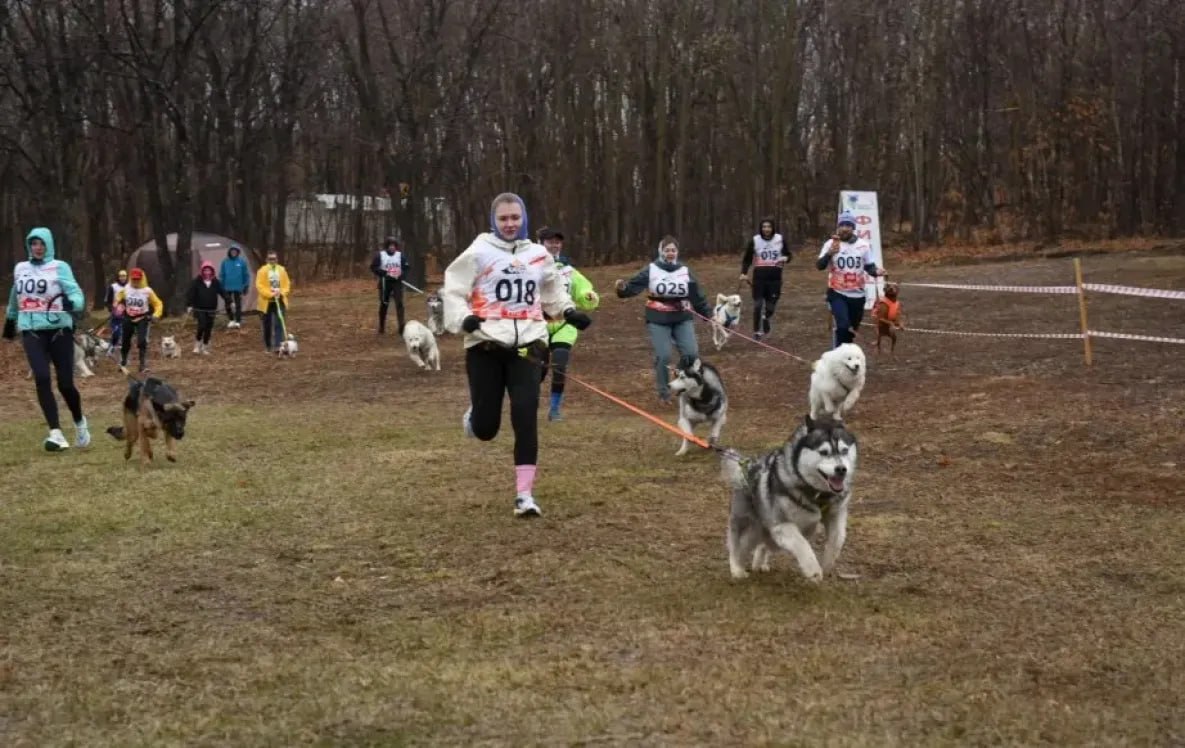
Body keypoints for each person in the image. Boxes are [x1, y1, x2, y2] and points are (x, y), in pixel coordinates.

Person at [441, 193, 590, 518]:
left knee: (525, 415)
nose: (510, 224)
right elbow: (452, 291)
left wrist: (568, 311)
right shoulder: (479, 251)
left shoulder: (538, 255)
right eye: (503, 218)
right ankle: (476, 416)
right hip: (486, 345)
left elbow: (552, 292)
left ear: (524, 219)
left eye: (515, 218)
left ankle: (525, 496)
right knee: (486, 428)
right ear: (494, 221)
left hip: (529, 343)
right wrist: (464, 319)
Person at [2, 227, 91, 451]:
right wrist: (10, 320)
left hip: (59, 330)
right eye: (34, 243)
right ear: (29, 246)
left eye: (42, 244)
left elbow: (75, 292)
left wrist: (74, 303)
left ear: (49, 245)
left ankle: (79, 422)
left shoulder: (60, 267)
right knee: (41, 377)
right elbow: (15, 294)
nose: (38, 248)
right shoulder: (21, 268)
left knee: (65, 384)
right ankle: (56, 433)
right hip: (31, 331)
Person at [614, 235, 713, 404]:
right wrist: (622, 289)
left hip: (682, 317)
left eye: (673, 250)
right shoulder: (652, 269)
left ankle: (683, 381)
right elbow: (633, 286)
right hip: (658, 318)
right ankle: (664, 392)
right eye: (667, 250)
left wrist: (708, 314)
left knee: (691, 354)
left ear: (677, 252)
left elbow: (696, 295)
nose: (670, 253)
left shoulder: (684, 270)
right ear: (661, 251)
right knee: (664, 355)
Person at [536, 226, 599, 421]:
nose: (554, 245)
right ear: (540, 243)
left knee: (559, 364)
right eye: (550, 241)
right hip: (538, 325)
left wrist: (589, 296)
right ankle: (529, 404)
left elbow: (584, 291)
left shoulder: (569, 271)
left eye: (557, 242)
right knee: (538, 370)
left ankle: (555, 409)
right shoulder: (531, 268)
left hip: (564, 324)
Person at [816, 211, 886, 348]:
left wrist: (877, 272)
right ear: (838, 227)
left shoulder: (863, 245)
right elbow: (819, 266)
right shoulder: (831, 244)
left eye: (848, 225)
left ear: (853, 228)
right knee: (843, 326)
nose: (844, 228)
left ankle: (845, 353)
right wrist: (829, 253)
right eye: (842, 225)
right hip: (837, 293)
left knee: (851, 331)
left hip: (858, 294)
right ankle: (838, 354)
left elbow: (869, 266)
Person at [738, 217, 791, 339]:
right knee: (757, 304)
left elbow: (788, 255)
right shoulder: (755, 240)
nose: (766, 229)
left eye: (769, 227)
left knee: (771, 305)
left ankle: (766, 317)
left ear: (773, 228)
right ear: (761, 228)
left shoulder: (780, 239)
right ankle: (756, 331)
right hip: (759, 277)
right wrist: (744, 272)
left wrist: (786, 258)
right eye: (764, 227)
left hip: (775, 278)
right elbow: (747, 259)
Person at [115, 267, 164, 372]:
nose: (136, 281)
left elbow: (158, 303)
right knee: (125, 340)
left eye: (138, 279)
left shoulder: (147, 291)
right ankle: (123, 362)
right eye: (134, 279)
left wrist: (156, 315)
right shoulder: (126, 288)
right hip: (128, 317)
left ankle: (142, 365)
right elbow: (118, 298)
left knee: (142, 341)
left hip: (142, 318)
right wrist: (118, 306)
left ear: (142, 279)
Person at [369, 236, 410, 335]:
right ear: (387, 246)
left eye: (394, 245)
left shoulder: (400, 255)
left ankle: (401, 327)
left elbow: (406, 267)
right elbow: (373, 267)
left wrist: (401, 275)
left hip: (397, 282)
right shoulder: (380, 255)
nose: (392, 247)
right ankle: (381, 326)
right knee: (384, 304)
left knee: (399, 304)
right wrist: (383, 272)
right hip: (385, 282)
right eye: (390, 245)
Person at [255, 250, 292, 353]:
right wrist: (270, 294)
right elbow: (259, 286)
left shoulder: (282, 270)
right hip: (266, 302)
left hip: (279, 301)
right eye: (270, 259)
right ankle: (268, 346)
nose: (272, 261)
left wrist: (282, 292)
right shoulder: (262, 271)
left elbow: (287, 284)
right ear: (267, 260)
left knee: (279, 323)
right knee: (267, 325)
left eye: (274, 259)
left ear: (277, 259)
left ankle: (278, 345)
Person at [186, 261, 225, 354]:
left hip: (211, 309)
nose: (207, 272)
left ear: (212, 271)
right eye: (205, 270)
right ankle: (197, 344)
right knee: (202, 326)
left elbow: (223, 292)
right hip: (200, 308)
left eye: (209, 270)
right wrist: (189, 305)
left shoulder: (215, 282)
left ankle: (205, 346)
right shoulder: (197, 281)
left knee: (208, 328)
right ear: (202, 271)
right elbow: (191, 294)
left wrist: (230, 301)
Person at [219, 244, 250, 329]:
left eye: (235, 251)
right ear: (229, 252)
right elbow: (222, 274)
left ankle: (238, 321)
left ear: (237, 252)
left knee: (238, 304)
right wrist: (221, 285)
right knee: (227, 304)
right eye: (232, 251)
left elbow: (246, 274)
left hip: (238, 287)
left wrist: (246, 285)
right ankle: (231, 320)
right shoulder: (225, 262)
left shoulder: (242, 262)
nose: (233, 252)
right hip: (227, 287)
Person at [102, 268, 129, 353]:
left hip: (127, 314)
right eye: (121, 276)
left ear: (126, 277)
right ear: (118, 277)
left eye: (124, 276)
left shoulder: (130, 287)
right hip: (116, 314)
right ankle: (112, 346)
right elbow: (107, 301)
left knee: (125, 332)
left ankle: (123, 349)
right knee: (116, 333)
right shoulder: (113, 287)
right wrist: (112, 309)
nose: (122, 278)